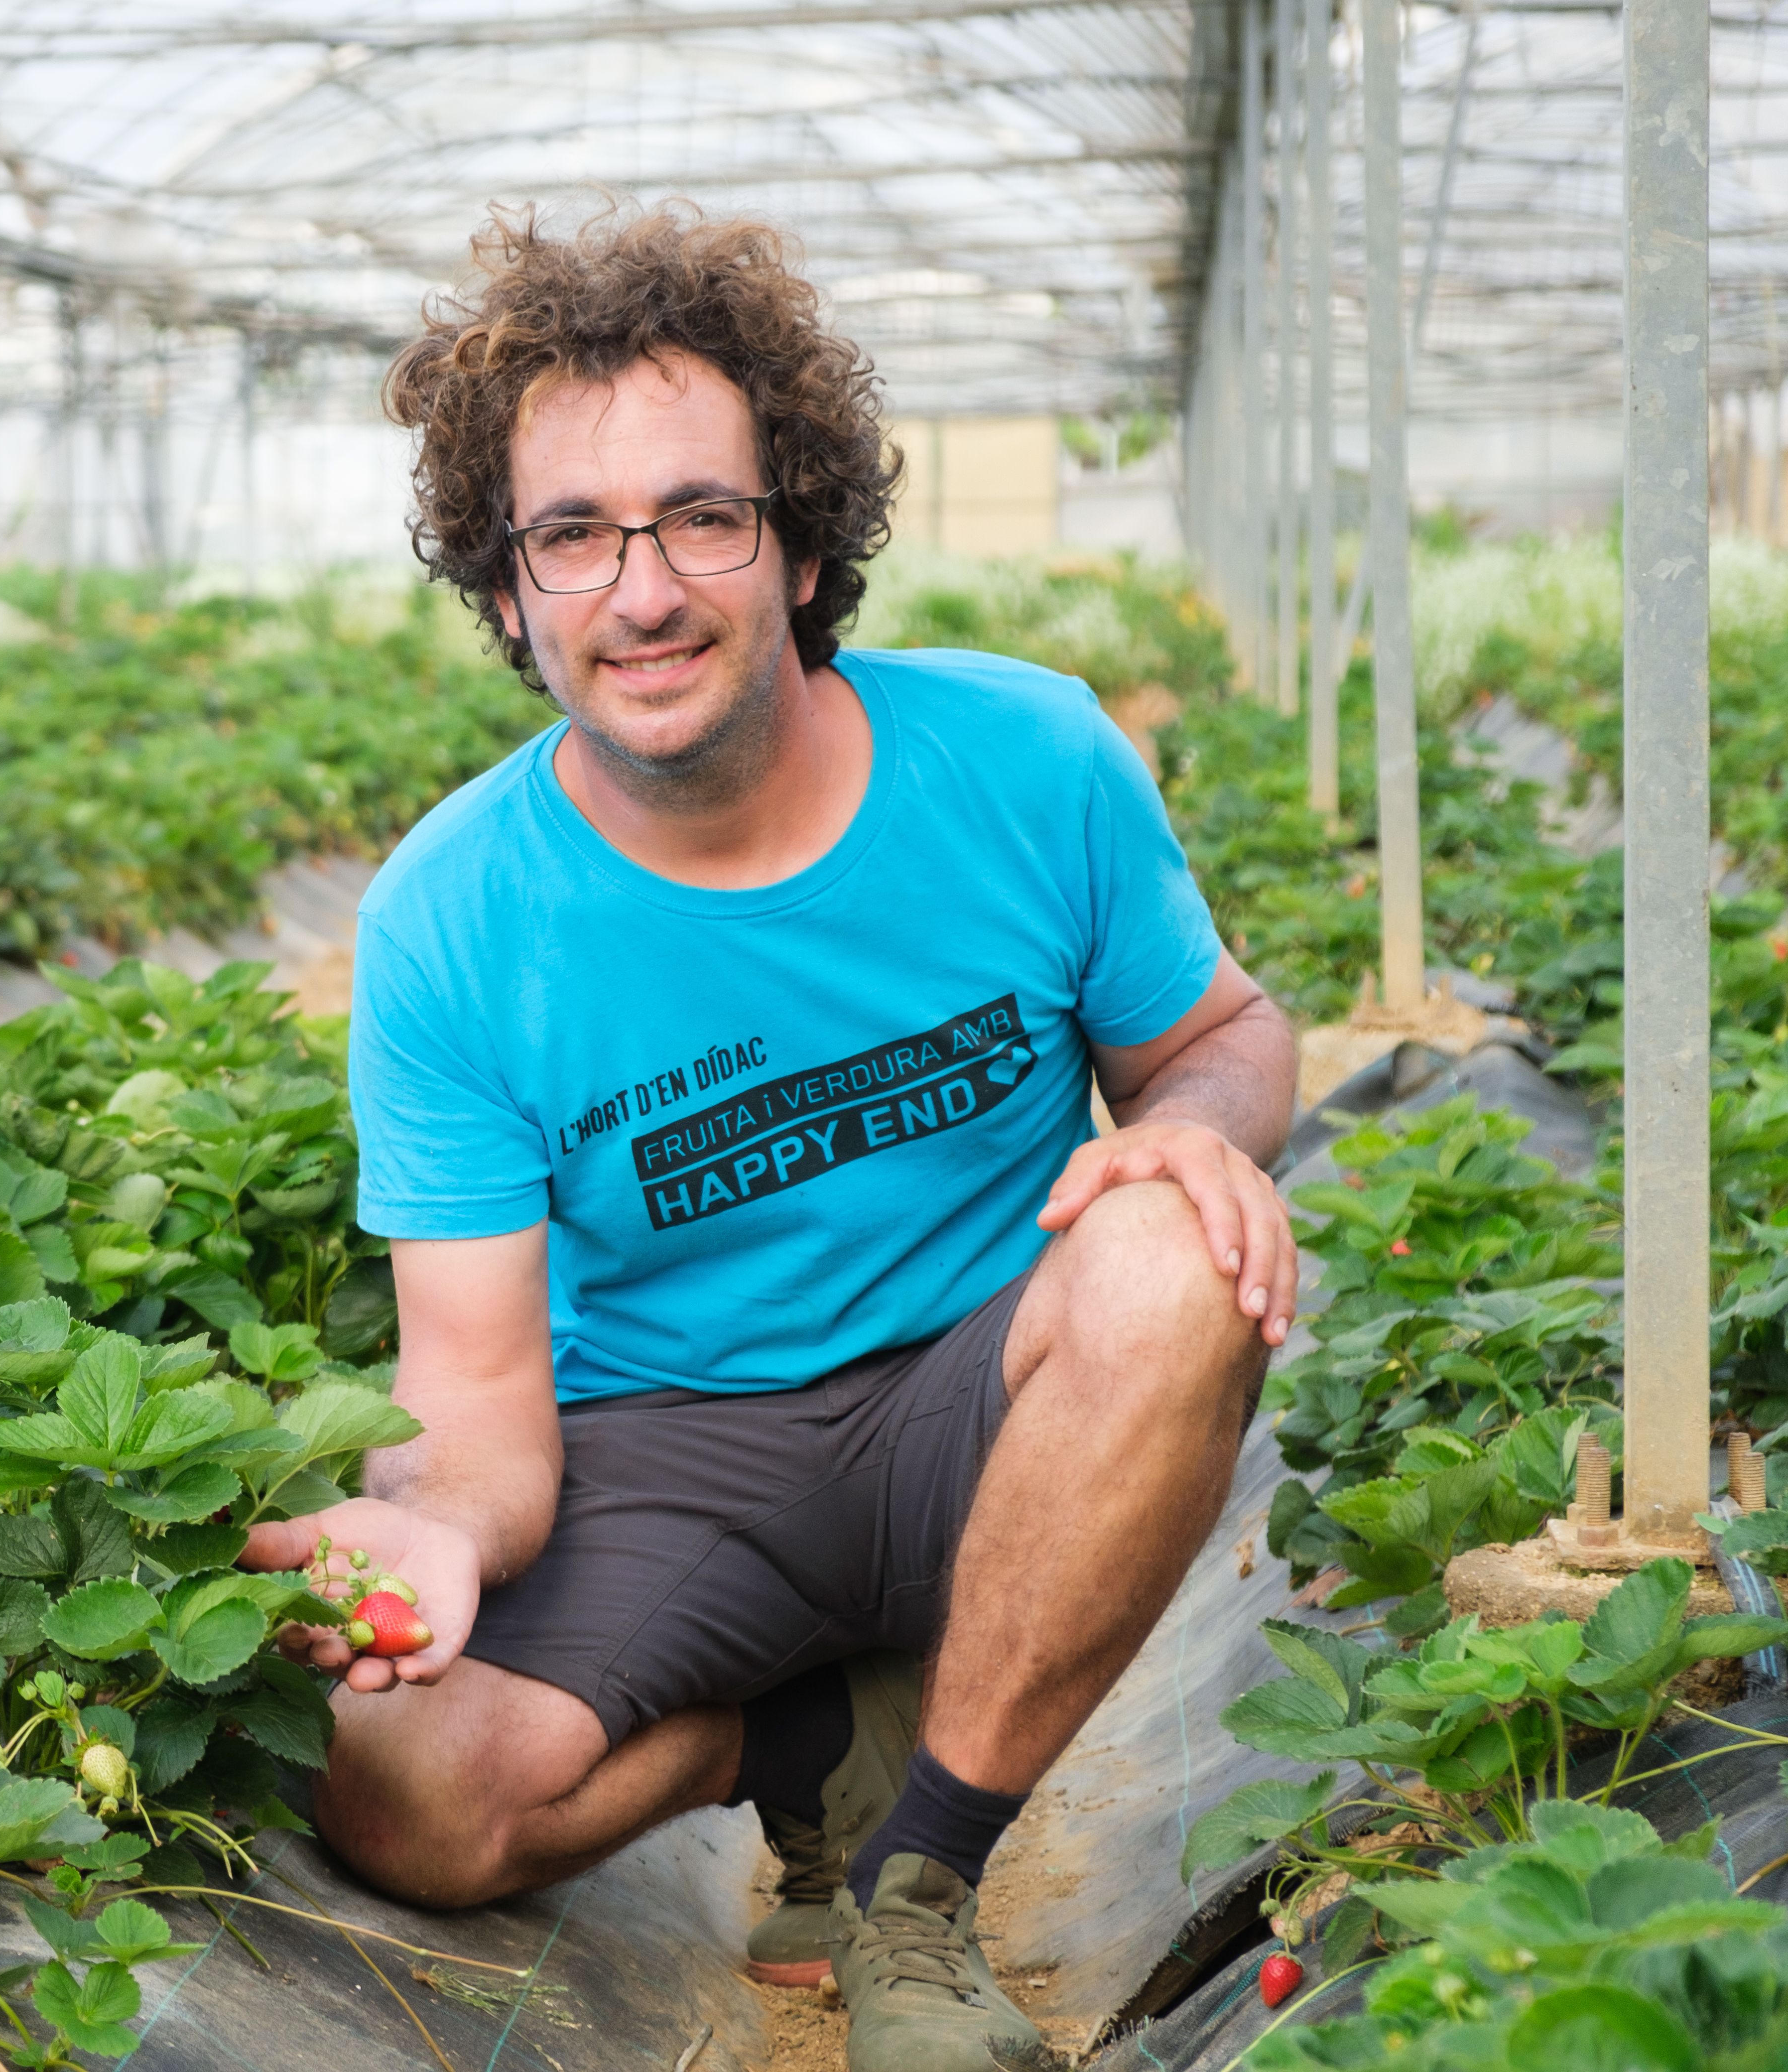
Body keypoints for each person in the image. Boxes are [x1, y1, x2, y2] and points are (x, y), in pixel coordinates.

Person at [239, 207, 1298, 2072]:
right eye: (571, 536)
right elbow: (477, 1393)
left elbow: (1218, 1040)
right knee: (404, 1792)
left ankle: (918, 1889)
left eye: (701, 517)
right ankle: (803, 1731)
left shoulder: (1027, 762)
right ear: (508, 596)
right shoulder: (451, 919)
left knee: (1165, 1250)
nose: (641, 590)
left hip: (999, 1408)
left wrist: (1203, 1134)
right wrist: (449, 1543)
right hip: (679, 1461)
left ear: (803, 543)